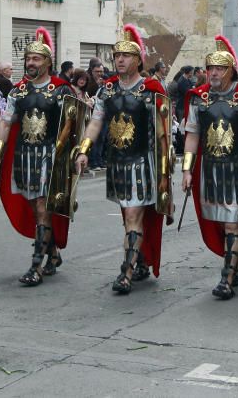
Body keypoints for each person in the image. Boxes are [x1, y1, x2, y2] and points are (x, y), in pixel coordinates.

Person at [76, 24, 170, 294]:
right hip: (117, 162)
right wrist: (84, 150)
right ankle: (139, 261)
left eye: (125, 55)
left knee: (132, 214)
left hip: (142, 162)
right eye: (116, 55)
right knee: (127, 215)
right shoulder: (106, 91)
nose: (119, 59)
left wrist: (165, 171)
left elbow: (163, 131)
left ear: (138, 60)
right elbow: (95, 122)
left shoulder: (152, 90)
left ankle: (126, 272)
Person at [0, 28, 76, 286]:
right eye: (28, 58)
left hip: (49, 156)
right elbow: (6, 123)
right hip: (23, 157)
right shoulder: (18, 92)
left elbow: (70, 125)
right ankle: (52, 253)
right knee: (32, 206)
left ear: (48, 62)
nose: (30, 63)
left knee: (41, 208)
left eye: (36, 59)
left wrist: (66, 157)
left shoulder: (61, 91)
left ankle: (35, 266)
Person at [182, 35, 238, 300]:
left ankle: (226, 278)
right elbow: (192, 134)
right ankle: (236, 266)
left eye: (219, 68)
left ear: (231, 70)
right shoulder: (198, 98)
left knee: (232, 225)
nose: (213, 73)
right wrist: (186, 169)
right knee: (219, 223)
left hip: (237, 169)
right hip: (210, 170)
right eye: (210, 68)